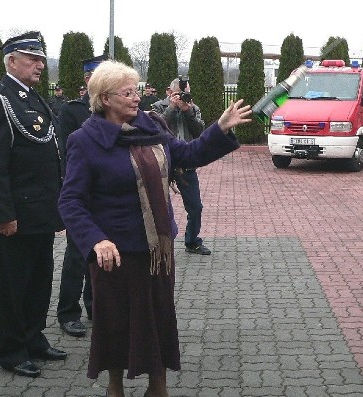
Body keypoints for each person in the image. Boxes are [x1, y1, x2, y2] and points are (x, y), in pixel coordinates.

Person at [58, 60, 252, 397]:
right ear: (105, 99)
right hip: (114, 254)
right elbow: (71, 201)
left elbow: (189, 154)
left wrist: (219, 129)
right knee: (116, 322)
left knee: (158, 318)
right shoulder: (84, 140)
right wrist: (96, 240)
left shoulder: (152, 128)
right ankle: (114, 386)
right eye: (128, 92)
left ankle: (157, 386)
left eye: (136, 90)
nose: (136, 98)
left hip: (156, 250)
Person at [0, 31, 67, 378]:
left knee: (39, 280)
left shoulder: (33, 98)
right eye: (32, 58)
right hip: (16, 214)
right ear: (12, 61)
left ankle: (34, 338)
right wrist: (3, 214)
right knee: (13, 285)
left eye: (41, 58)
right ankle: (12, 350)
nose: (40, 64)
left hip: (41, 211)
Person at [55, 54, 108, 338]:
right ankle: (68, 312)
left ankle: (94, 306)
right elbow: (65, 155)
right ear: (88, 79)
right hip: (82, 195)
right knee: (77, 255)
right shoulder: (72, 111)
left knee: (101, 255)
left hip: (106, 196)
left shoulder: (112, 109)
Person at [151, 78, 210, 255]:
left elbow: (200, 132)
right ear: (169, 92)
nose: (184, 97)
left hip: (185, 164)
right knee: (157, 206)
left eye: (186, 93)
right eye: (179, 93)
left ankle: (192, 241)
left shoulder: (193, 108)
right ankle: (156, 243)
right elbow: (155, 129)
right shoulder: (157, 106)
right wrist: (172, 108)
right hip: (162, 163)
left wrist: (188, 112)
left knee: (196, 207)